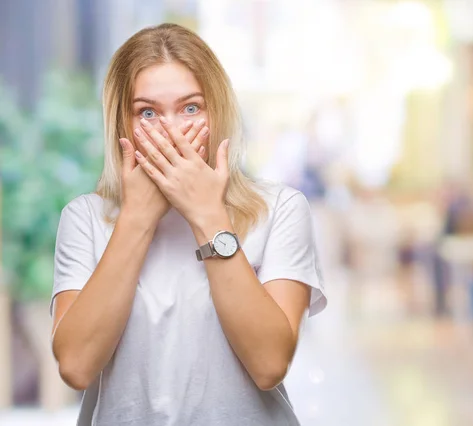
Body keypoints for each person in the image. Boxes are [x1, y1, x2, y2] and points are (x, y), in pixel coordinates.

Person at [50, 23, 327, 426]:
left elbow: (270, 364)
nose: (172, 131)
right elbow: (75, 366)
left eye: (190, 108)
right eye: (148, 112)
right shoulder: (85, 218)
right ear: (122, 126)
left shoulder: (280, 209)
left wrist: (207, 216)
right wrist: (137, 219)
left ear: (216, 111)